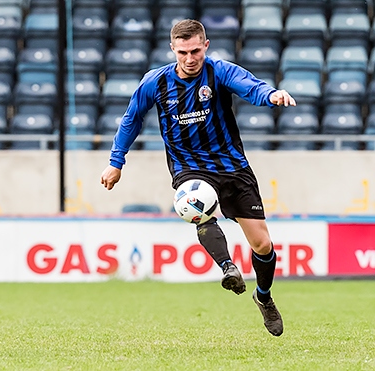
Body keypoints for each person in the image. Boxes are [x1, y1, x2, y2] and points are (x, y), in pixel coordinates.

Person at [100, 19, 296, 337]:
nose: (190, 59)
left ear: (205, 45)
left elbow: (251, 86)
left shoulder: (219, 71)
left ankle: (263, 297)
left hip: (233, 167)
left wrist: (271, 96)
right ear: (172, 49)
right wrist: (115, 162)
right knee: (197, 204)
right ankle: (227, 267)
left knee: (261, 243)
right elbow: (131, 118)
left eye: (195, 51)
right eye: (182, 52)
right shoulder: (156, 82)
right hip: (189, 168)